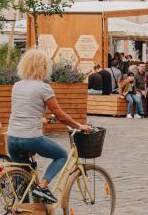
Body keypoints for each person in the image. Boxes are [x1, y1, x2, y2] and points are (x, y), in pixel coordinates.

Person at [7, 49, 89, 203]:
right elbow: (60, 115)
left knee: (24, 173)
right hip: (30, 138)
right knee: (61, 155)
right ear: (43, 67)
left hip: (12, 138)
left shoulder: (17, 85)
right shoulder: (43, 87)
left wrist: (40, 119)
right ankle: (43, 187)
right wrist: (79, 125)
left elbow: (24, 109)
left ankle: (26, 213)